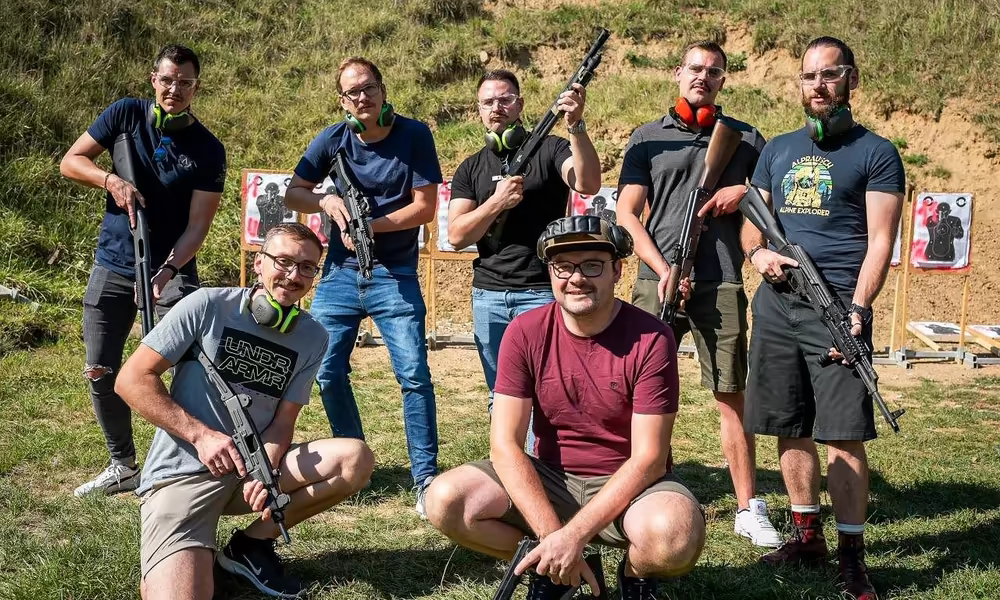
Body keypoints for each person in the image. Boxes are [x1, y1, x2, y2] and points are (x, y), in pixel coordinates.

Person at [424, 216, 706, 599]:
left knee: (673, 538)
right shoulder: (524, 331)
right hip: (551, 479)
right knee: (446, 501)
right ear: (550, 272)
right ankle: (558, 567)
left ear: (616, 271)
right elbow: (505, 445)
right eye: (563, 266)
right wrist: (554, 536)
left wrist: (573, 534)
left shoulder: (652, 337)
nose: (577, 277)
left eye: (592, 265)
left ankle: (635, 574)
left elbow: (650, 459)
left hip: (631, 484)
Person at [115, 223, 375, 600]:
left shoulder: (313, 336)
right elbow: (131, 379)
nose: (293, 275)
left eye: (306, 267)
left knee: (355, 458)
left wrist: (266, 468)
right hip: (183, 474)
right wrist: (200, 436)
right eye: (283, 261)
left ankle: (249, 547)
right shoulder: (206, 305)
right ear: (258, 263)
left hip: (249, 474)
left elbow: (284, 421)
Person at [741, 36, 905, 600]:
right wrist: (757, 253)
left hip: (836, 304)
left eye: (829, 75)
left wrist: (859, 309)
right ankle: (807, 535)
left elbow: (881, 240)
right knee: (788, 424)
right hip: (778, 304)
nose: (818, 85)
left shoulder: (876, 152)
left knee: (844, 435)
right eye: (809, 76)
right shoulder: (778, 149)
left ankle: (852, 557)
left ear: (851, 80)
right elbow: (751, 219)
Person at [615, 40, 780, 547]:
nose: (702, 77)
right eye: (694, 69)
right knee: (644, 395)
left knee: (731, 394)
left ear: (723, 81)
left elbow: (769, 204)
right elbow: (626, 213)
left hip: (723, 276)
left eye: (713, 71)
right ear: (676, 74)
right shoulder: (646, 139)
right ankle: (648, 489)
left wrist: (745, 194)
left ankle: (747, 506)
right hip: (655, 279)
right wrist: (664, 268)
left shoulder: (747, 139)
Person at [59, 44, 227, 497]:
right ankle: (123, 464)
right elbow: (71, 162)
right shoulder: (124, 114)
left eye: (185, 82)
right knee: (100, 368)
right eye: (168, 79)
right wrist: (110, 179)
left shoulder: (209, 149)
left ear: (197, 87)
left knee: (192, 365)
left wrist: (168, 271)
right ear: (154, 78)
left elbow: (197, 227)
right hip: (113, 264)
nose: (175, 89)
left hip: (171, 270)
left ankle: (185, 460)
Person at [283, 56, 442, 516]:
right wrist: (326, 199)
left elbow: (425, 207)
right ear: (342, 100)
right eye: (352, 92)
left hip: (395, 275)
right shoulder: (332, 138)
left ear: (382, 88)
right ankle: (356, 460)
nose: (362, 97)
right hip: (339, 273)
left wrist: (369, 225)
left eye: (369, 87)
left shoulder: (414, 134)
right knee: (327, 370)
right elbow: (295, 192)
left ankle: (425, 478)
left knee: (413, 376)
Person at [446, 68, 601, 452]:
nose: (496, 107)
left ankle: (546, 467)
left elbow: (587, 182)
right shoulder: (470, 167)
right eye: (488, 102)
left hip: (541, 291)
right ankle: (513, 467)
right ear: (479, 111)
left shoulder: (549, 149)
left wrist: (576, 126)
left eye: (505, 99)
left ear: (520, 105)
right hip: (489, 295)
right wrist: (497, 202)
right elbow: (457, 234)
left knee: (548, 388)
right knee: (502, 391)